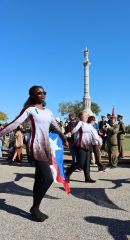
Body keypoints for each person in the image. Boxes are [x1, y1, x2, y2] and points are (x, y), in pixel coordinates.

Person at [0, 85, 68, 222]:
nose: (42, 95)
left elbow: (55, 126)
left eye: (44, 92)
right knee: (48, 178)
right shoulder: (30, 109)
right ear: (32, 96)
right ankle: (35, 208)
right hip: (35, 147)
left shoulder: (48, 111)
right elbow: (15, 123)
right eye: (39, 93)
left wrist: (64, 138)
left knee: (39, 179)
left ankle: (35, 208)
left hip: (46, 147)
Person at [65, 111, 100, 183]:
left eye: (87, 115)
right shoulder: (79, 123)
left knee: (87, 163)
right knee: (80, 163)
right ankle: (67, 173)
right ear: (80, 116)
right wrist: (69, 133)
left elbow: (94, 134)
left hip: (88, 146)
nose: (87, 116)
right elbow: (73, 130)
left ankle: (87, 178)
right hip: (80, 145)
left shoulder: (88, 125)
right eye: (85, 115)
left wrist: (98, 141)